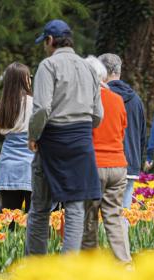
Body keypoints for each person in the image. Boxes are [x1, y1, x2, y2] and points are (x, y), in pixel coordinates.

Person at [27, 19, 103, 255]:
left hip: (52, 140)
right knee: (75, 206)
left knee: (40, 207)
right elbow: (98, 113)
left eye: (44, 43)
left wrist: (33, 135)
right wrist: (82, 130)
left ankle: (35, 265)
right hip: (81, 142)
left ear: (50, 41)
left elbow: (41, 109)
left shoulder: (48, 66)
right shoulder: (89, 68)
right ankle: (69, 266)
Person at [81, 56, 131, 263]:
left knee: (89, 217)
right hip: (118, 164)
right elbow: (122, 130)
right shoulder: (117, 99)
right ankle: (124, 263)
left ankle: (90, 262)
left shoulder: (84, 99)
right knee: (114, 217)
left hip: (94, 165)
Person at [0, 62, 33, 214]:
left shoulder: (1, 107)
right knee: (34, 220)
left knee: (9, 218)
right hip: (33, 167)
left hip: (9, 168)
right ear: (25, 80)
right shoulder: (36, 104)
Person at [98, 53, 146, 208]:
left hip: (103, 161)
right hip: (130, 162)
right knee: (122, 216)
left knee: (97, 214)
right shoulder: (136, 99)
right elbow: (142, 134)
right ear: (119, 72)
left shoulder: (100, 97)